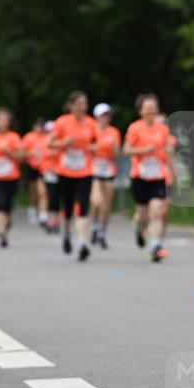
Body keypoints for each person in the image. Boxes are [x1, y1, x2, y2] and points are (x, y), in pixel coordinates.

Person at [124, 94, 176, 263]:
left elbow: (167, 152)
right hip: (140, 176)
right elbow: (127, 150)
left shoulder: (163, 129)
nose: (151, 111)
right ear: (141, 111)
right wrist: (143, 150)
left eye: (153, 107)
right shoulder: (134, 128)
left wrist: (173, 171)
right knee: (142, 213)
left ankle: (155, 245)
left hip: (158, 175)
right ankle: (139, 228)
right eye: (147, 108)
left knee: (156, 209)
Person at [48, 91, 98, 261]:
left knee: (83, 206)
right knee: (68, 206)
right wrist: (64, 143)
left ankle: (82, 243)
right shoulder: (62, 122)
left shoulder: (91, 123)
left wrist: (92, 148)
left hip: (85, 170)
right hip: (66, 170)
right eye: (79, 104)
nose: (82, 107)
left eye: (85, 103)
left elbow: (97, 144)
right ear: (71, 106)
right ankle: (67, 233)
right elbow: (49, 143)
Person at [0, 108, 23, 248]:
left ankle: (6, 223)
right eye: (1, 120)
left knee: (8, 205)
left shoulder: (14, 137)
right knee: (0, 203)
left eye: (6, 120)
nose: (3, 123)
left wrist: (9, 153)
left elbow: (21, 157)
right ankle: (2, 234)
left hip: (11, 175)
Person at [90, 103, 121, 249]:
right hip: (94, 168)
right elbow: (85, 147)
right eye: (103, 115)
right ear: (97, 117)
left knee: (106, 205)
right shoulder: (91, 130)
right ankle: (94, 226)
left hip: (108, 169)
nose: (106, 118)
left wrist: (113, 147)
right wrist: (95, 147)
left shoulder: (114, 132)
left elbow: (117, 153)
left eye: (108, 115)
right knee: (96, 201)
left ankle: (102, 232)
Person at [22, 119, 49, 226]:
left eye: (41, 126)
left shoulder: (47, 137)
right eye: (38, 126)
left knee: (42, 191)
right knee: (33, 190)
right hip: (31, 166)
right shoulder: (28, 137)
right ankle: (32, 209)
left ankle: (42, 213)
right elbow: (22, 152)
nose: (39, 128)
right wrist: (31, 154)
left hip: (43, 167)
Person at [39, 120, 60, 234]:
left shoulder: (59, 141)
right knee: (49, 196)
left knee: (56, 197)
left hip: (59, 172)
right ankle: (49, 219)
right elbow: (43, 155)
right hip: (47, 172)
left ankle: (55, 220)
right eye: (48, 131)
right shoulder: (43, 141)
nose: (50, 133)